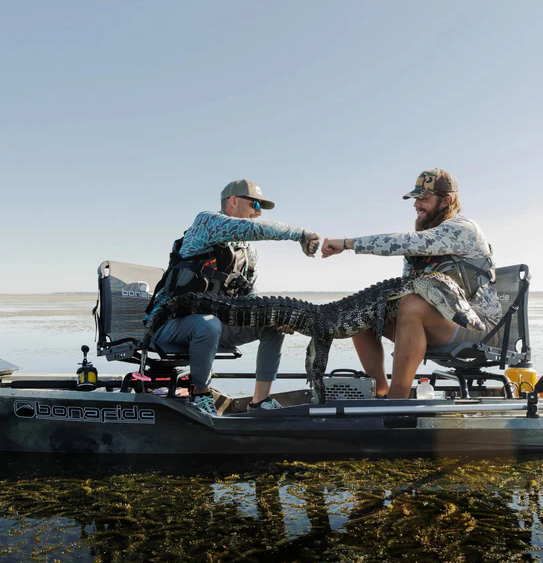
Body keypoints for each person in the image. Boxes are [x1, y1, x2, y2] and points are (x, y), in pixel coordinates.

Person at [320, 169, 501, 399]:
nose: (416, 205)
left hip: (477, 327)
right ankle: (380, 393)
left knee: (412, 304)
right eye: (415, 199)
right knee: (365, 314)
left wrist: (347, 243)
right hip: (437, 323)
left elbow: (404, 242)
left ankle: (397, 401)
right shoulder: (421, 244)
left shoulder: (463, 229)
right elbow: (406, 284)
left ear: (446, 201)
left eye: (423, 199)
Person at [145, 180, 320, 414]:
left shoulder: (248, 252)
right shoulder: (206, 223)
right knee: (209, 324)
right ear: (233, 201)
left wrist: (274, 316)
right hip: (169, 323)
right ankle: (200, 395)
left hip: (213, 328)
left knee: (272, 325)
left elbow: (250, 295)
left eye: (261, 207)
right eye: (255, 204)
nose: (258, 212)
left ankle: (260, 402)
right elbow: (255, 229)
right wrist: (300, 235)